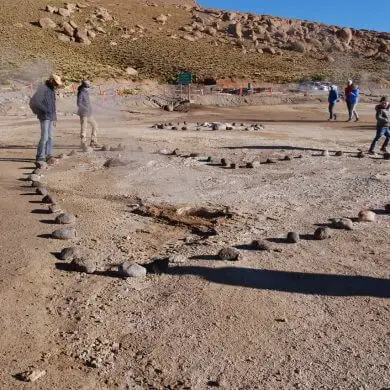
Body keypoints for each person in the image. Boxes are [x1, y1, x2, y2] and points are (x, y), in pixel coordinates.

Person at [30, 74, 62, 166]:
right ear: (51, 80)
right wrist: (46, 110)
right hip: (44, 117)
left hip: (51, 117)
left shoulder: (52, 90)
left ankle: (48, 155)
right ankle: (40, 156)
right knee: (44, 137)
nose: (56, 85)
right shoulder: (42, 88)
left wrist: (55, 117)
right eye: (55, 83)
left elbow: (53, 105)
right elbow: (37, 102)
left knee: (50, 137)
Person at [77, 80, 99, 148]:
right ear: (84, 86)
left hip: (89, 113)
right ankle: (83, 142)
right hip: (83, 113)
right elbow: (79, 103)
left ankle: (93, 141)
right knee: (84, 127)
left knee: (95, 125)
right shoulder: (81, 93)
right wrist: (85, 108)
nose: (88, 87)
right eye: (87, 86)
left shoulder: (86, 93)